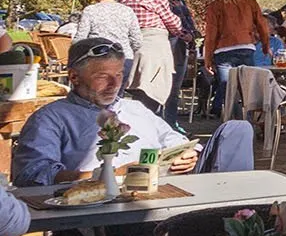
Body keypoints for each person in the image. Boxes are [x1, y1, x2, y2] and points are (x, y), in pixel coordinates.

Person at [14, 38, 255, 188]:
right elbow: (32, 174)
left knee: (237, 130)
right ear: (74, 77)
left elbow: (172, 138)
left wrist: (187, 153)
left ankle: (235, 214)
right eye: (102, 77)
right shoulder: (52, 117)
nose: (114, 84)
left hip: (173, 185)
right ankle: (225, 222)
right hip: (114, 199)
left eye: (118, 75)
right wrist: (105, 175)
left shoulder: (133, 107)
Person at [202, 0, 273, 116]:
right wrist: (266, 46)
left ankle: (234, 120)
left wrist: (208, 58)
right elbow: (262, 27)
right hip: (246, 47)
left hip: (223, 50)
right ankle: (249, 122)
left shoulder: (215, 6)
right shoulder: (250, 3)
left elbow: (211, 34)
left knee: (228, 89)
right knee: (248, 89)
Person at [118, 0, 183, 109]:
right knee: (152, 89)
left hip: (130, 45)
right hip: (153, 45)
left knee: (134, 87)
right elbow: (172, 24)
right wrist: (179, 24)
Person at [74, 0, 140, 88]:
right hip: (123, 60)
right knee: (116, 98)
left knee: (96, 98)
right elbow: (137, 41)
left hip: (99, 59)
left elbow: (80, 39)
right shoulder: (128, 11)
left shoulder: (90, 10)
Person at [159, 0, 197, 126]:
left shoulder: (181, 2)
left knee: (175, 90)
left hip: (181, 49)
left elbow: (189, 22)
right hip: (165, 45)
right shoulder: (159, 2)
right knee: (161, 88)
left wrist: (192, 35)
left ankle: (171, 123)